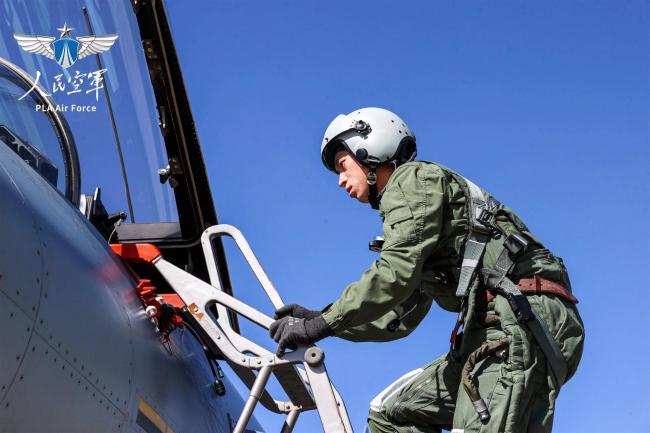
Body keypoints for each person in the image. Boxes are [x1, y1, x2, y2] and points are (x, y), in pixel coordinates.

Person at [269, 107, 584, 433]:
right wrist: (321, 320)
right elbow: (398, 318)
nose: (340, 180)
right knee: (390, 414)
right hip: (493, 328)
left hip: (520, 317)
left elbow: (393, 273)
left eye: (342, 165)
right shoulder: (421, 223)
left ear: (369, 149)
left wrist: (320, 324)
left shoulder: (412, 181)